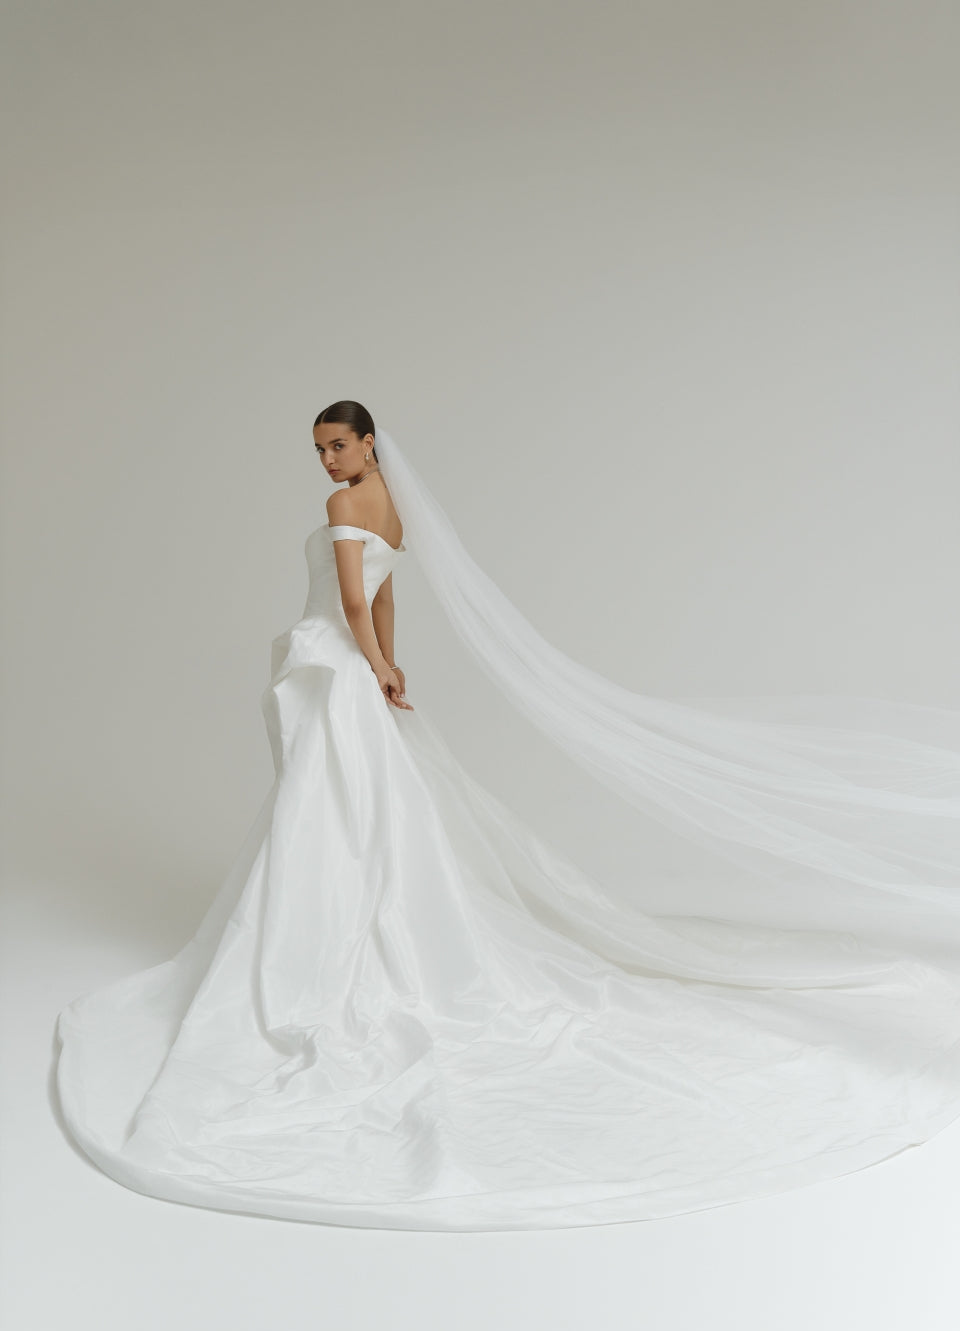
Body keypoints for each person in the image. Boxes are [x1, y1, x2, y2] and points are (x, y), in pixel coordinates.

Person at [55, 401, 960, 1232]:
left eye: (338, 445)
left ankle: (316, 944)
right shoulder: (392, 510)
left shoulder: (343, 510)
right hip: (355, 670)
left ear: (369, 442)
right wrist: (391, 667)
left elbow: (354, 600)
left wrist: (372, 666)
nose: (327, 461)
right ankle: (346, 927)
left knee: (322, 807)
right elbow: (387, 596)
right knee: (346, 807)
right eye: (318, 451)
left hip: (334, 665)